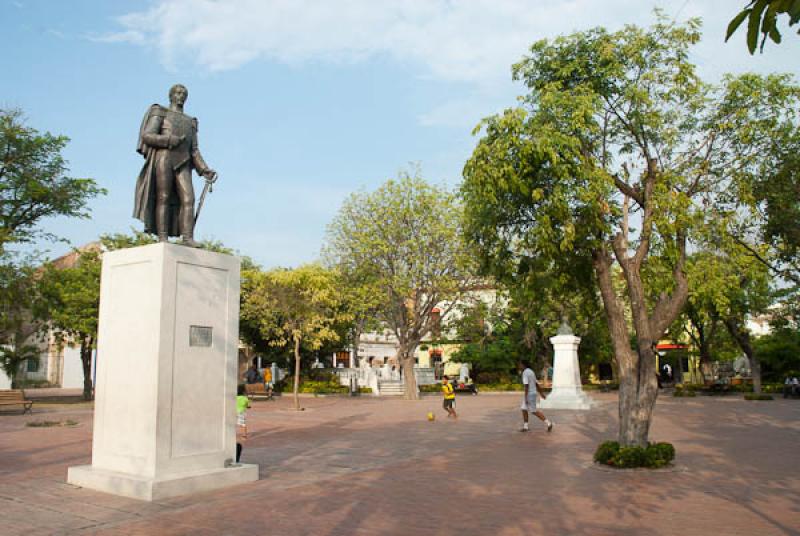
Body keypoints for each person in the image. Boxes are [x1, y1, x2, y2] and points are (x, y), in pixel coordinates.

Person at [134, 84, 218, 246]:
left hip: (184, 162)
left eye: (184, 93)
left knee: (189, 199)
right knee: (163, 197)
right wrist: (168, 140)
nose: (181, 96)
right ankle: (163, 237)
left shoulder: (190, 121)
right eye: (178, 93)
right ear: (171, 95)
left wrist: (204, 169)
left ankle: (187, 237)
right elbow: (148, 136)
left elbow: (194, 150)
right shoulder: (161, 112)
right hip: (164, 158)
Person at [519, 360, 553, 432]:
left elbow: (526, 385)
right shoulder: (531, 371)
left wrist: (526, 398)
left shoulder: (525, 372)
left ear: (523, 365)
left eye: (520, 365)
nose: (519, 366)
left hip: (529, 394)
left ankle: (549, 423)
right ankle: (526, 426)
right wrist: (541, 393)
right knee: (524, 409)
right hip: (533, 393)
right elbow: (536, 384)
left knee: (533, 411)